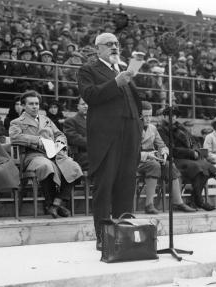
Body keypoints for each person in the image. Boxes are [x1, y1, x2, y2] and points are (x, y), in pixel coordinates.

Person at [77, 32, 142, 251]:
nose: (115, 47)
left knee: (126, 184)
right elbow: (90, 95)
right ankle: (103, 236)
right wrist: (116, 82)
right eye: (109, 44)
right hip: (107, 136)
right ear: (98, 49)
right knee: (104, 187)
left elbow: (135, 101)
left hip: (130, 132)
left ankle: (123, 233)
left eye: (116, 44)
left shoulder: (122, 70)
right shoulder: (88, 69)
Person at [9, 90, 83, 218]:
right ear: (24, 106)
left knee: (74, 166)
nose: (34, 107)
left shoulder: (46, 120)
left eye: (37, 104)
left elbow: (59, 134)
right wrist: (37, 140)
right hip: (33, 155)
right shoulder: (17, 122)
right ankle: (50, 204)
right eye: (31, 104)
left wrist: (59, 142)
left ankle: (57, 204)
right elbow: (15, 137)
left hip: (54, 153)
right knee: (46, 166)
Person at [138, 101, 195, 214]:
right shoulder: (132, 128)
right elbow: (129, 151)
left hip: (152, 158)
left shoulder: (153, 128)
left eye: (150, 115)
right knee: (154, 165)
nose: (148, 119)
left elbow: (162, 145)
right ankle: (149, 205)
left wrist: (164, 153)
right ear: (139, 115)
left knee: (170, 165)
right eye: (145, 116)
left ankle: (178, 202)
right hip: (137, 160)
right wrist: (147, 155)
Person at [157, 106, 216, 211]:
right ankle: (199, 201)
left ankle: (195, 199)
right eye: (170, 116)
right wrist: (190, 153)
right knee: (197, 167)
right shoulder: (161, 129)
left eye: (175, 116)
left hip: (188, 158)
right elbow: (170, 149)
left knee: (207, 167)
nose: (173, 118)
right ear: (165, 117)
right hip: (175, 159)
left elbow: (193, 141)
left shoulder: (180, 127)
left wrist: (196, 151)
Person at [63, 97, 88, 171]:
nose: (86, 106)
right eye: (83, 104)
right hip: (81, 155)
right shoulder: (70, 121)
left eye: (88, 104)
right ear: (78, 106)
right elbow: (74, 139)